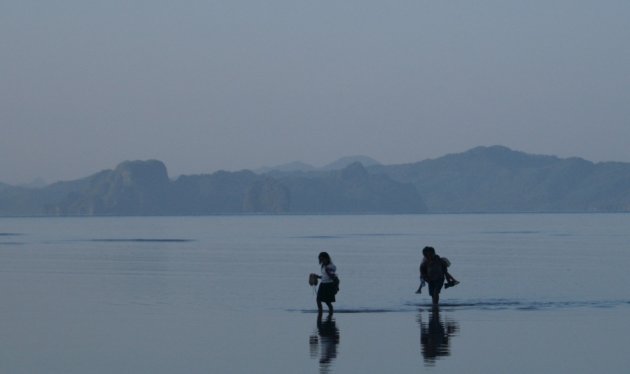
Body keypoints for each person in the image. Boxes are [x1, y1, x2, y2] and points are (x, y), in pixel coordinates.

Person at [312, 252, 338, 316]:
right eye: (320, 260)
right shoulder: (323, 266)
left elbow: (333, 277)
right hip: (323, 285)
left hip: (328, 285)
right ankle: (320, 312)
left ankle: (330, 313)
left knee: (327, 302)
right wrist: (318, 276)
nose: (322, 261)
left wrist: (336, 286)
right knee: (318, 300)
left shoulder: (330, 267)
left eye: (322, 259)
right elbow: (325, 276)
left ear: (327, 258)